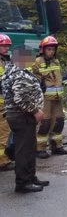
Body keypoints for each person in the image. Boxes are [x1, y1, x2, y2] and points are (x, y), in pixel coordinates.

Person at [3, 45, 49, 192]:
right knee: (24, 150)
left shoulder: (10, 70)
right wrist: (35, 111)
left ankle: (30, 177)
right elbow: (20, 97)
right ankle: (23, 182)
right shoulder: (19, 73)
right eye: (28, 56)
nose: (32, 59)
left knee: (29, 147)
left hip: (17, 114)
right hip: (22, 115)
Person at [30, 36, 67, 158]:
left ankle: (56, 146)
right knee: (44, 123)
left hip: (57, 98)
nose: (51, 51)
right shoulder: (37, 62)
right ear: (43, 50)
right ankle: (39, 148)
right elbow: (32, 78)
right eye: (49, 49)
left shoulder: (56, 61)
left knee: (58, 121)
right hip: (44, 98)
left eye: (53, 49)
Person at [0, 34, 13, 171]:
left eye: (7, 46)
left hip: (5, 101)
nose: (6, 48)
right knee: (3, 132)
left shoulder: (6, 60)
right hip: (1, 103)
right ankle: (3, 161)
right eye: (3, 45)